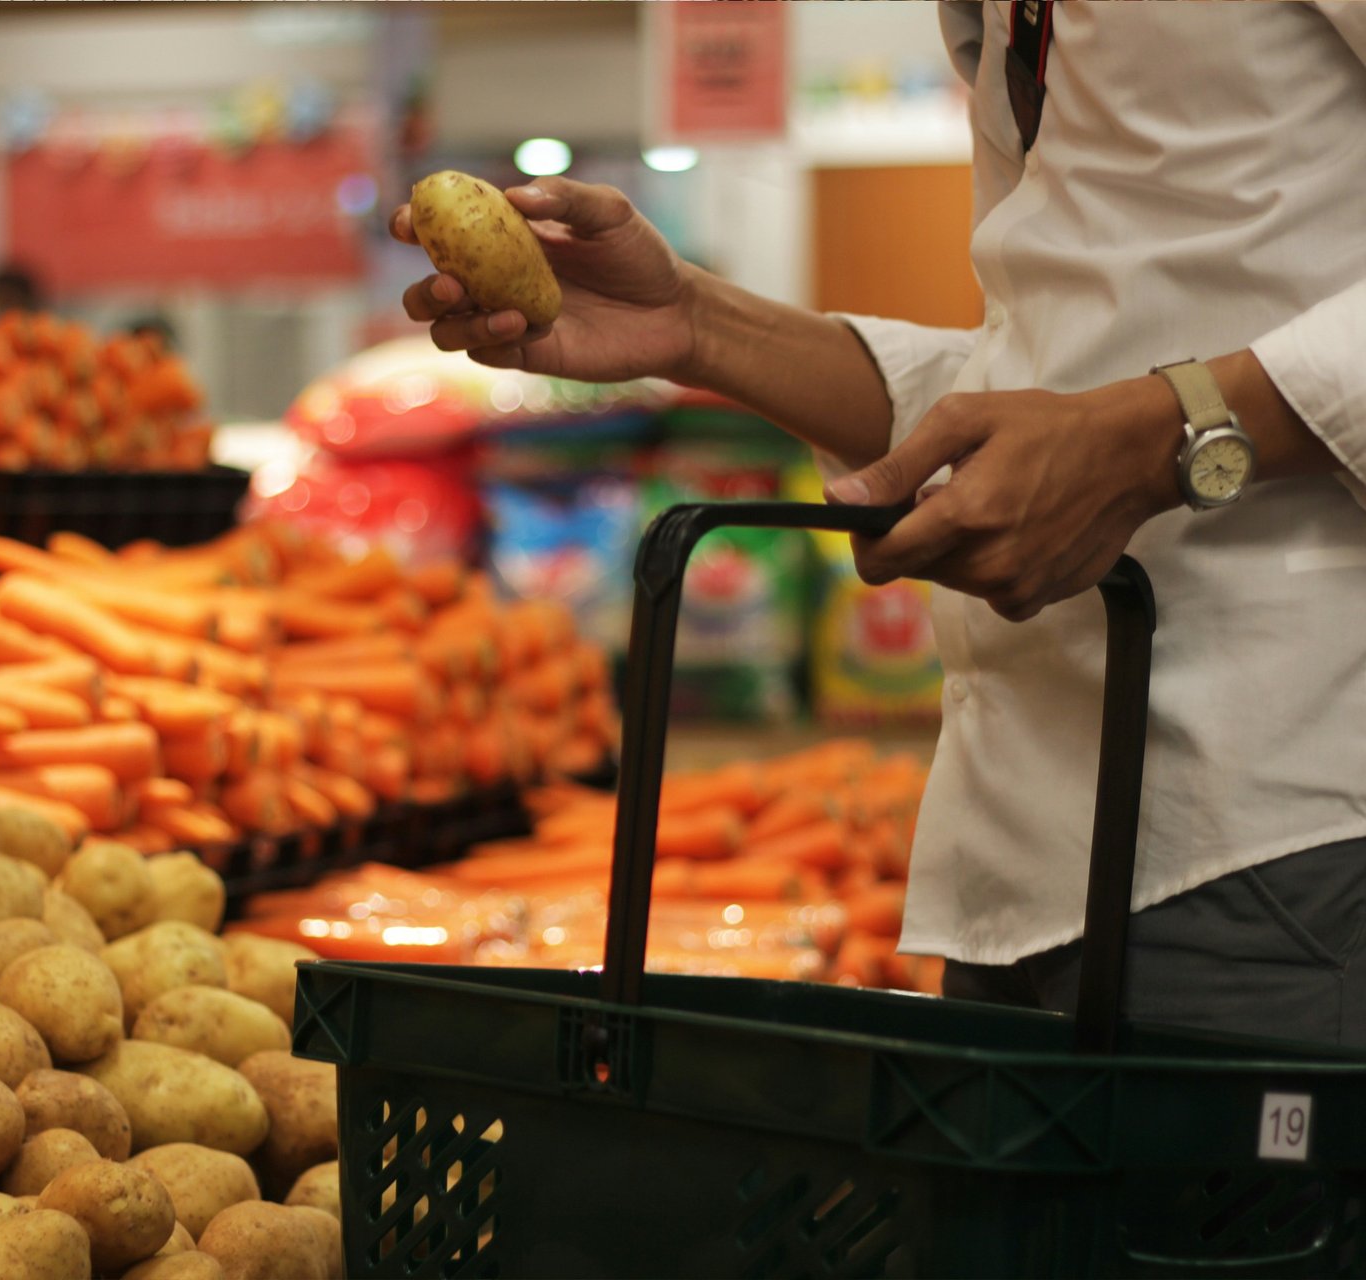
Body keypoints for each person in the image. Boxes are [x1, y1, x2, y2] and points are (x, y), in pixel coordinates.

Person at [393, 2, 1366, 1047]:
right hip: (1020, 847)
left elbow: (1115, 413)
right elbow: (1048, 385)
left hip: (1271, 825)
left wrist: (1159, 433)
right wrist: (697, 325)